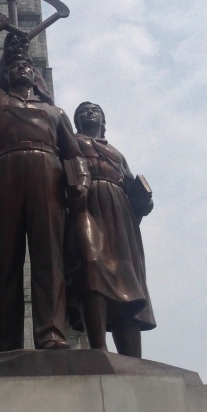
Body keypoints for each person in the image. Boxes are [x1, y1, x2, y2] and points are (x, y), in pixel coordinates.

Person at [0, 15, 89, 352]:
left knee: (48, 257)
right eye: (14, 65)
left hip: (47, 174)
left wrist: (78, 180)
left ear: (36, 77)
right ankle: (6, 341)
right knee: (5, 259)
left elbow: (74, 152)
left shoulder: (55, 113)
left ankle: (51, 332)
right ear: (5, 73)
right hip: (6, 171)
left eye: (27, 66)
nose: (21, 68)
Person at [67, 101, 155, 357]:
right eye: (82, 111)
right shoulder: (72, 141)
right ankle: (98, 348)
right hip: (86, 203)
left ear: (103, 121)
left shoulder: (115, 152)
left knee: (126, 276)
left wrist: (143, 200)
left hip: (119, 211)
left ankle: (132, 357)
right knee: (91, 265)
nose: (88, 113)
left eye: (94, 110)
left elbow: (128, 182)